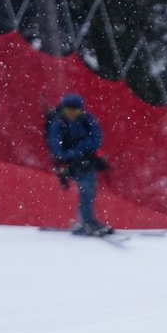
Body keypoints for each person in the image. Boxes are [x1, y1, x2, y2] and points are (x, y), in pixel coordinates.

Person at [46, 93, 112, 235]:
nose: (72, 114)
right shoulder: (58, 124)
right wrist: (78, 153)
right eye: (68, 110)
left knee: (88, 189)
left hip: (85, 162)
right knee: (86, 188)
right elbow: (56, 149)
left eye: (75, 110)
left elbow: (97, 139)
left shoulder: (87, 121)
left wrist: (77, 151)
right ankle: (85, 221)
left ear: (81, 110)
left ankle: (86, 220)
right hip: (70, 164)